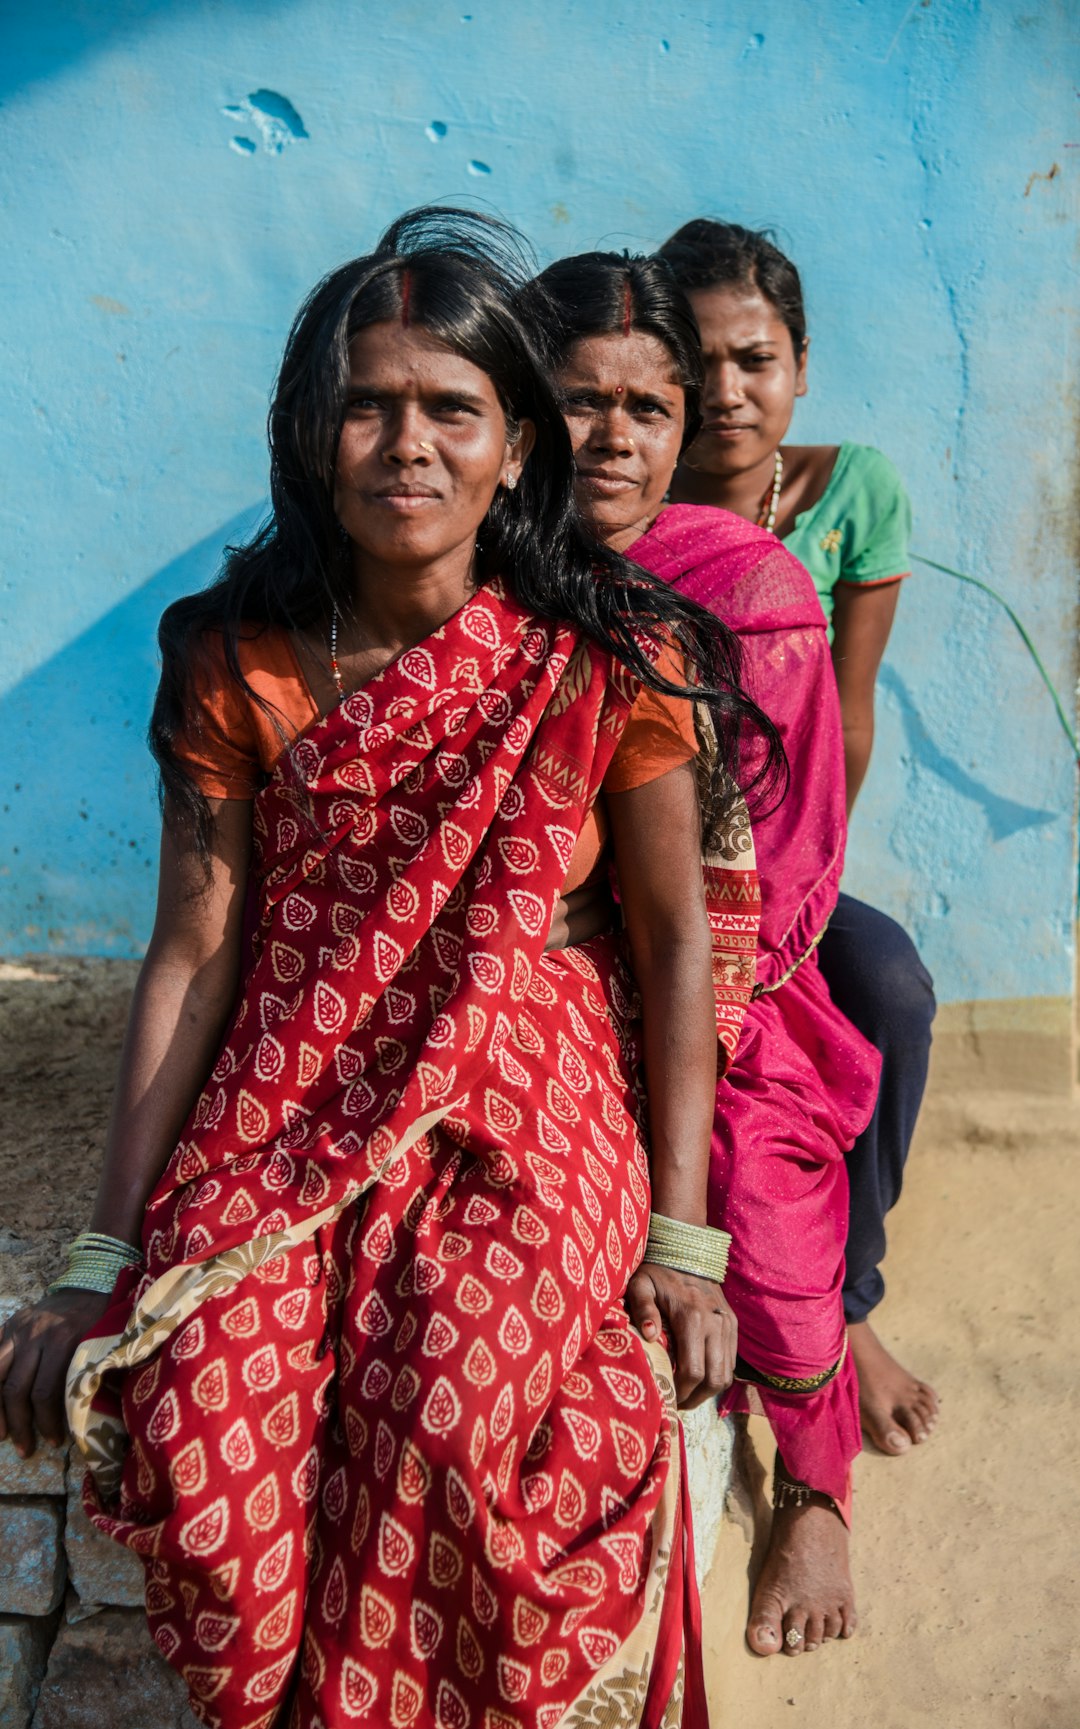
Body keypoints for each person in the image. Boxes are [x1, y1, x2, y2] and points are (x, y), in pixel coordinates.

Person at [0, 208, 781, 1729]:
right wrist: (103, 1256)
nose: (405, 446)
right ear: (311, 434)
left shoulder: (602, 654)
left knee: (449, 1404)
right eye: (369, 403)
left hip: (525, 1068)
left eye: (451, 409)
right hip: (295, 1070)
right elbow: (196, 949)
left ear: (513, 449)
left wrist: (683, 1244)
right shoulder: (239, 657)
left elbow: (678, 940)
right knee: (203, 1408)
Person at [530, 247, 882, 1659]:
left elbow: (789, 861)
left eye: (645, 408)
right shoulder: (501, 565)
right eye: (573, 402)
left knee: (752, 1180)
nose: (610, 437)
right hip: (548, 973)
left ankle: (817, 1479)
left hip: (740, 984)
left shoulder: (744, 589)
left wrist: (681, 1012)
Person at [658, 219, 939, 1460]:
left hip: (793, 867)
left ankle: (850, 1295)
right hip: (658, 862)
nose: (728, 391)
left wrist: (799, 903)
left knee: (890, 990)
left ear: (803, 363)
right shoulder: (628, 494)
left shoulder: (854, 494)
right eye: (698, 362)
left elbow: (852, 716)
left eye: (755, 358)